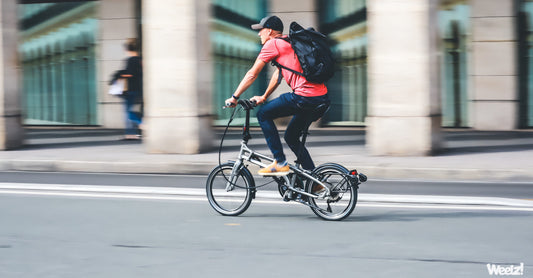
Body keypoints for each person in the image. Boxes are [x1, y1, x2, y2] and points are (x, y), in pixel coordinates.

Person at [225, 15, 330, 177]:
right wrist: (264, 96)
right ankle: (314, 181)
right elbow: (278, 74)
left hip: (303, 96)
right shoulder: (289, 42)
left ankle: (280, 162)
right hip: (321, 97)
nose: (259, 34)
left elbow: (252, 74)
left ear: (270, 31)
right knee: (291, 137)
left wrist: (235, 97)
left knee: (263, 114)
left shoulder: (272, 44)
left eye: (261, 30)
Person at [110, 38, 143, 140]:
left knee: (128, 112)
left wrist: (120, 74)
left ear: (127, 49)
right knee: (129, 110)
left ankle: (141, 124)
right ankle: (131, 133)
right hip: (138, 88)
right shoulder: (140, 59)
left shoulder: (131, 60)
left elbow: (131, 73)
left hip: (131, 89)